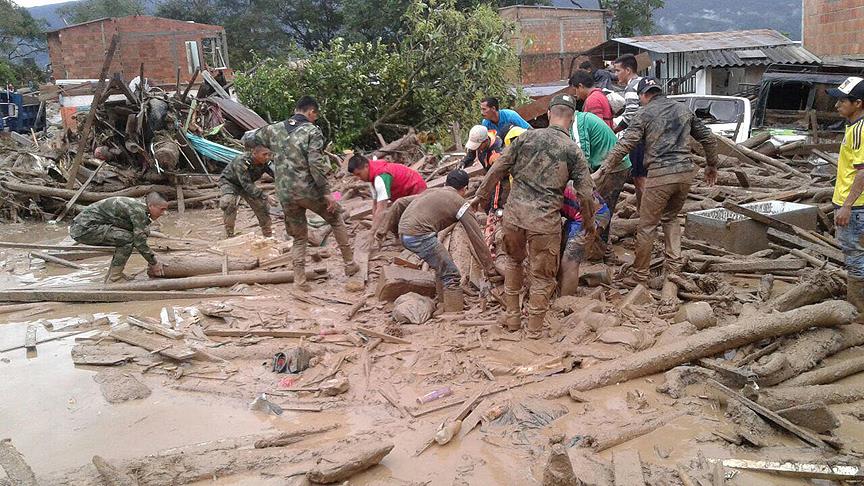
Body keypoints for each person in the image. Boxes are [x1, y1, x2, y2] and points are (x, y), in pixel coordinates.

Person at [471, 94, 595, 338]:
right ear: (571, 119)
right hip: (544, 223)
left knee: (514, 263)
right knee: (541, 276)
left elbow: (498, 168)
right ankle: (535, 332)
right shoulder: (573, 150)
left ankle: (513, 318)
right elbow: (586, 194)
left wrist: (480, 195)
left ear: (549, 114)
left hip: (514, 218)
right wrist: (589, 224)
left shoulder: (524, 137)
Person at [596, 77, 718, 288]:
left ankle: (639, 275)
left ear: (644, 95)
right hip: (685, 174)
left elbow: (626, 144)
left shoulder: (644, 113)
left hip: (661, 174)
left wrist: (603, 169)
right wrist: (711, 165)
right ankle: (674, 268)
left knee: (647, 226)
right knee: (670, 218)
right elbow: (708, 138)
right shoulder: (683, 110)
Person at [257, 95, 358, 291]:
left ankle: (300, 280)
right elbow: (315, 164)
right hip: (308, 190)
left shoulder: (273, 129)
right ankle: (350, 265)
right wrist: (327, 192)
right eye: (315, 115)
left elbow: (248, 138)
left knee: (299, 237)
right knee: (336, 218)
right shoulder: (312, 131)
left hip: (284, 193)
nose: (315, 119)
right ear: (311, 112)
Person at [387, 170, 497, 312]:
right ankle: (453, 313)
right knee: (452, 275)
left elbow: (400, 202)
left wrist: (394, 233)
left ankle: (442, 303)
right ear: (464, 189)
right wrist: (490, 268)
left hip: (405, 234)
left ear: (446, 183)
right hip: (420, 236)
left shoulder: (431, 192)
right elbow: (476, 238)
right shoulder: (460, 203)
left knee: (442, 266)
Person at [571, 110, 631, 262]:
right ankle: (603, 250)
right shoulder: (583, 118)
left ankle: (602, 254)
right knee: (603, 209)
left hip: (612, 168)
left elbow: (582, 156)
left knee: (600, 210)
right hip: (614, 166)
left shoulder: (578, 122)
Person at [70, 193, 168, 282]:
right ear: (151, 206)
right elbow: (139, 242)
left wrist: (152, 254)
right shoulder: (138, 210)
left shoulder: (140, 206)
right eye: (162, 209)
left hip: (88, 226)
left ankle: (112, 275)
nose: (164, 213)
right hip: (84, 229)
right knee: (127, 239)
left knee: (132, 235)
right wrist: (154, 263)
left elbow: (141, 232)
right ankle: (114, 278)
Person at [828, 76, 864, 312]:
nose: (836, 105)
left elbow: (863, 172)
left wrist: (847, 205)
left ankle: (859, 313)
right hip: (855, 205)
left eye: (842, 100)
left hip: (857, 207)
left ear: (858, 103)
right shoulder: (853, 127)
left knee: (855, 259)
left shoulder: (860, 131)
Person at [347, 153, 427, 242]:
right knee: (395, 217)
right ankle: (400, 240)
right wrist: (374, 227)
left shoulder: (380, 177)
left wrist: (372, 233)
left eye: (359, 174)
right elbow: (375, 205)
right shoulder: (372, 176)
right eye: (356, 176)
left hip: (415, 190)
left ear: (366, 166)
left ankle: (415, 240)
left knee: (405, 220)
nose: (359, 178)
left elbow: (381, 209)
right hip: (403, 194)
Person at [559, 184, 611, 296]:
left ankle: (564, 300)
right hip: (576, 214)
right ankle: (560, 290)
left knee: (569, 261)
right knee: (561, 252)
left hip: (592, 215)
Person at [218, 132, 274, 238]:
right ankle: (229, 235)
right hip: (230, 183)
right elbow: (247, 186)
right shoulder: (242, 162)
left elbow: (277, 175)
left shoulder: (266, 162)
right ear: (254, 153)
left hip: (246, 184)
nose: (267, 157)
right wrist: (266, 196)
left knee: (261, 206)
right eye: (264, 155)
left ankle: (268, 235)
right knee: (229, 203)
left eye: (269, 154)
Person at [612, 54, 647, 207]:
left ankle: (645, 213)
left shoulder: (632, 87)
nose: (615, 74)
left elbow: (631, 115)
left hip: (639, 138)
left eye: (618, 70)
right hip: (653, 135)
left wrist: (614, 130)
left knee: (640, 178)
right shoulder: (644, 83)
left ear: (627, 70)